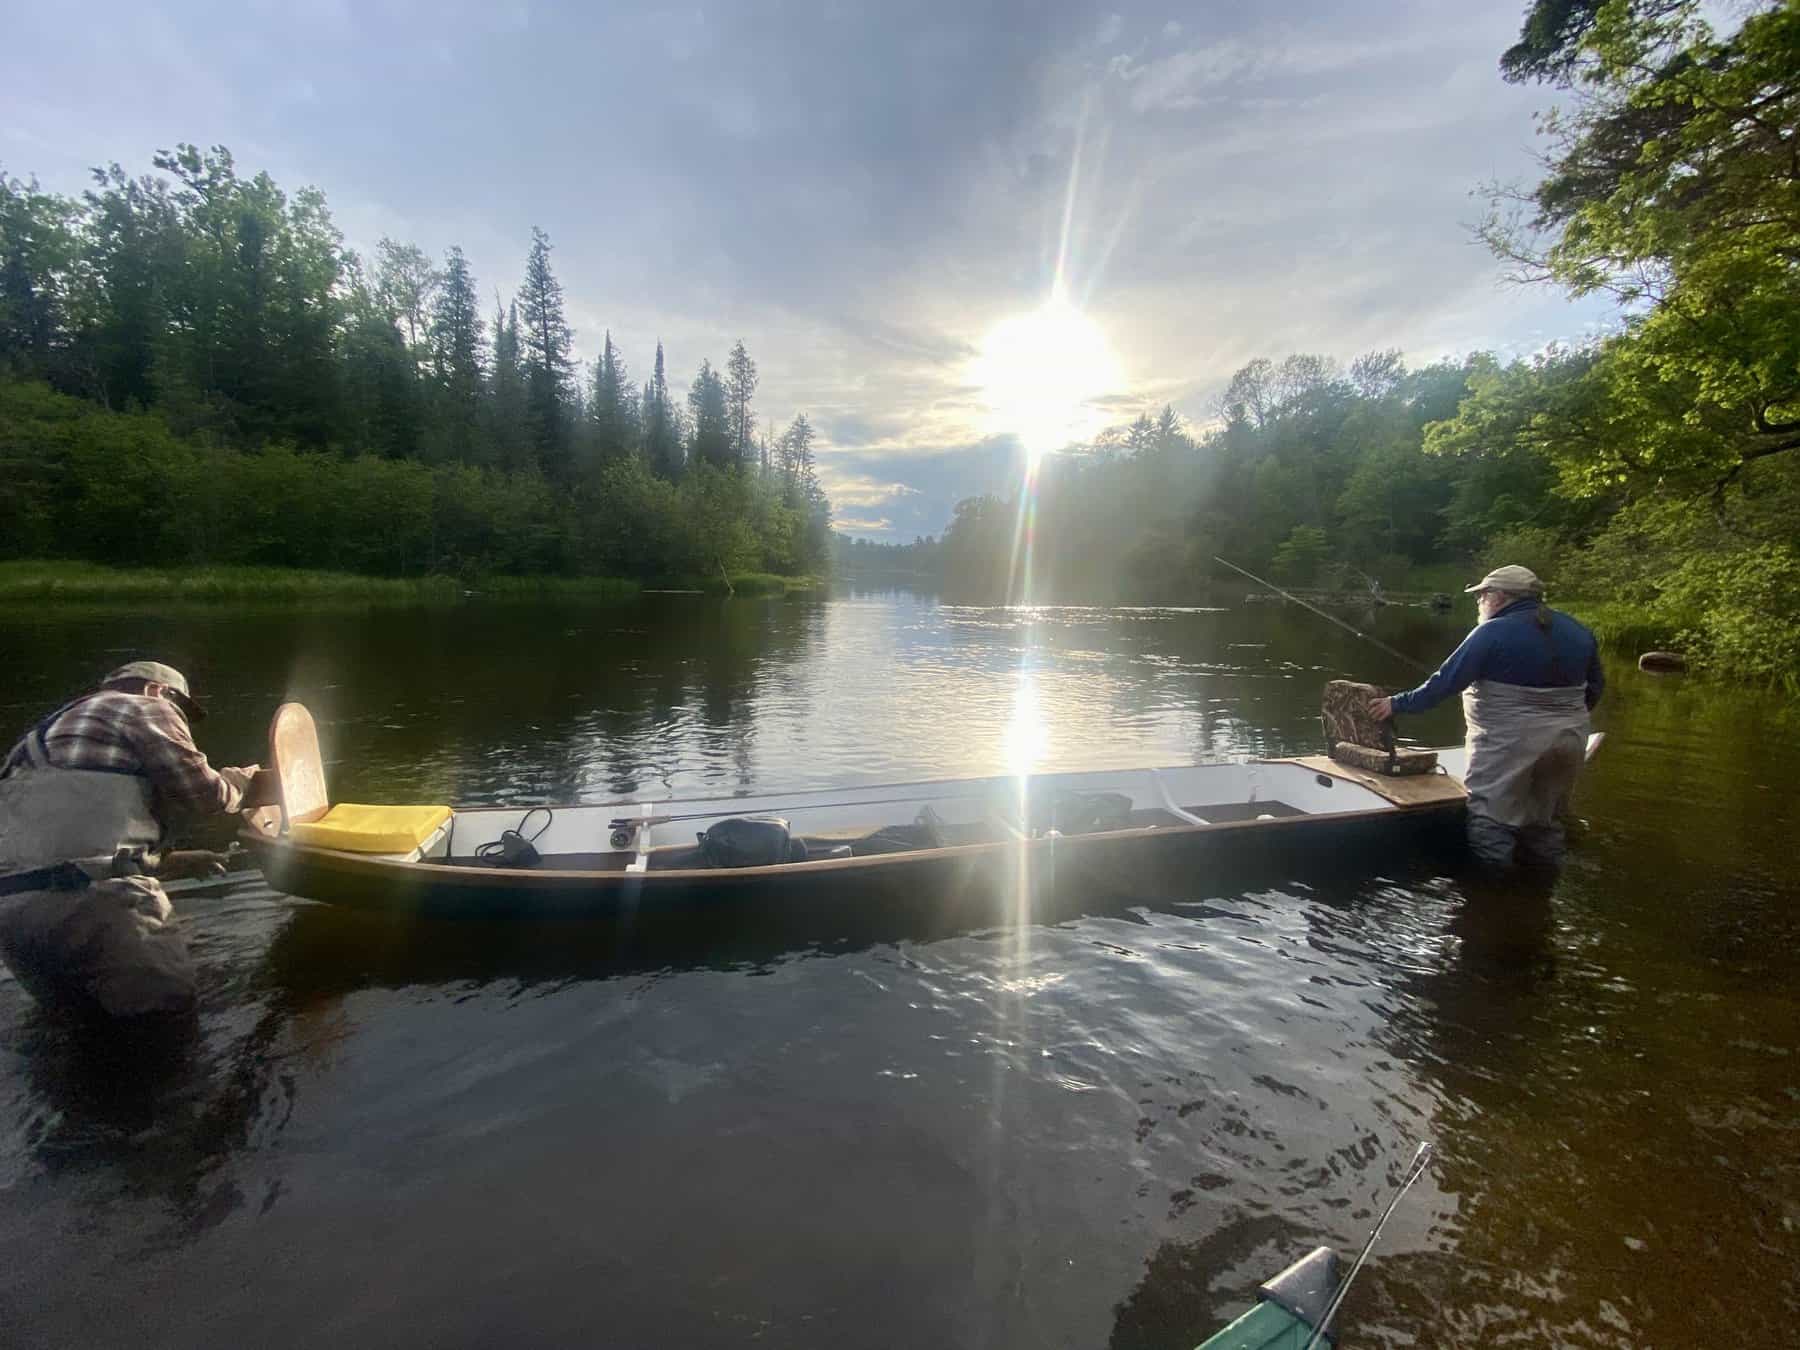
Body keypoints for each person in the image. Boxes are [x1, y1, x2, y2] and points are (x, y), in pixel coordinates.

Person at [0, 661, 267, 1019]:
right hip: (96, 908)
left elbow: (59, 849)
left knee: (72, 1030)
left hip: (15, 919)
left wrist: (171, 860)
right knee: (165, 1027)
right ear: (158, 690)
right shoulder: (144, 706)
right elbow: (207, 796)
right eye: (182, 710)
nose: (181, 721)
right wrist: (243, 783)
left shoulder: (32, 744)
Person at [1370, 565, 1602, 868]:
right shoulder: (1578, 630)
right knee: (1544, 820)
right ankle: (1540, 890)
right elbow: (1595, 688)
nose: (1479, 602)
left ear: (1498, 596)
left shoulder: (1490, 632)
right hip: (1571, 740)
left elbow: (1444, 684)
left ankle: (1492, 893)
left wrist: (1396, 704)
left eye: (1481, 595)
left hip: (1510, 744)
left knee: (1491, 818)